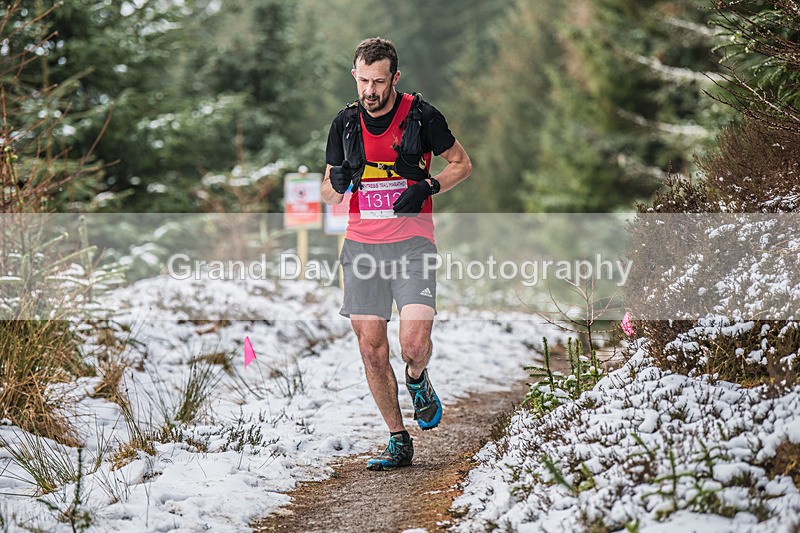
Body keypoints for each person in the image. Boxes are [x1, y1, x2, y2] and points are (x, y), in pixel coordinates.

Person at [321, 37, 472, 470]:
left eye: (379, 82)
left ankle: (417, 377)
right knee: (372, 350)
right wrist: (344, 179)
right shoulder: (345, 124)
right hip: (362, 247)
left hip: (413, 243)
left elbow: (462, 163)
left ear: (395, 78)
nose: (370, 91)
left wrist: (429, 185)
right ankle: (397, 438)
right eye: (363, 81)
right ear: (355, 75)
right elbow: (328, 194)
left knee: (413, 343)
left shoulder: (422, 117)